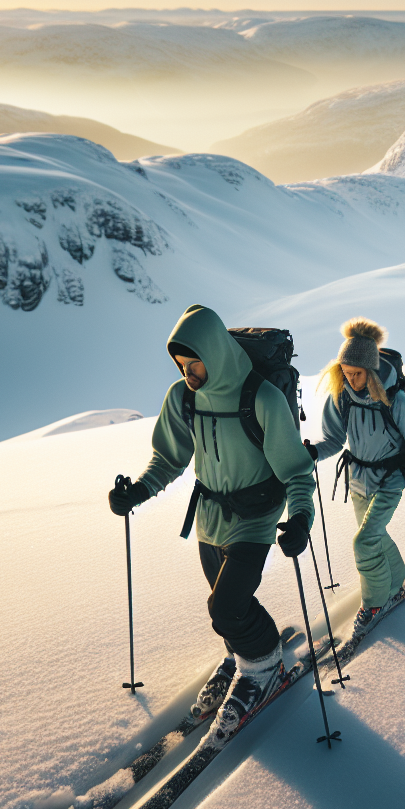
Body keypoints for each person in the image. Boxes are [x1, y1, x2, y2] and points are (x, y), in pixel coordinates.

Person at [107, 305, 314, 749]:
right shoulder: (183, 397)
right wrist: (137, 493)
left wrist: (299, 518)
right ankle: (241, 654)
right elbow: (168, 458)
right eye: (180, 365)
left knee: (225, 607)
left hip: (256, 518)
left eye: (193, 363)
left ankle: (262, 665)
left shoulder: (261, 398)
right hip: (209, 520)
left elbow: (296, 471)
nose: (187, 373)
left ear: (216, 353)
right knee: (229, 606)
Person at [308, 318, 405, 640]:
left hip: (390, 480)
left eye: (357, 374)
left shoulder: (396, 402)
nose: (351, 379)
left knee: (364, 541)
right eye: (346, 373)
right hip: (358, 480)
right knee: (374, 535)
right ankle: (394, 582)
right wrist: (312, 454)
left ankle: (374, 603)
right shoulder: (342, 397)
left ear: (371, 371)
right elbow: (333, 441)